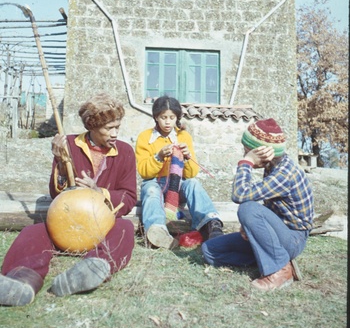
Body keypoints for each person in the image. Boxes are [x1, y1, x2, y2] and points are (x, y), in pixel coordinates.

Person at [0, 93, 137, 307]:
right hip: (68, 226)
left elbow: (129, 197)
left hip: (103, 228)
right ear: (92, 125)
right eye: (109, 128)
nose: (115, 133)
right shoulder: (70, 145)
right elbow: (57, 195)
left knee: (125, 228)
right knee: (33, 232)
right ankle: (21, 280)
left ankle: (90, 269)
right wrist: (61, 162)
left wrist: (99, 192)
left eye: (117, 126)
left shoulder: (125, 152)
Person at [201, 118, 314, 291]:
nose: (245, 154)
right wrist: (250, 227)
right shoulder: (272, 167)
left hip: (293, 238)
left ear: (262, 151)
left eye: (248, 151)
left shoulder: (285, 173)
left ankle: (280, 269)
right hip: (277, 233)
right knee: (210, 250)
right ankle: (267, 257)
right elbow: (270, 206)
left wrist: (247, 162)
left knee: (248, 208)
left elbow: (240, 194)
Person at [135, 95, 223, 249]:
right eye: (163, 117)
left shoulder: (183, 136)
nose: (168, 122)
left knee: (193, 183)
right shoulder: (145, 137)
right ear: (156, 117)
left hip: (176, 188)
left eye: (172, 117)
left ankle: (210, 224)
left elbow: (191, 174)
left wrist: (187, 157)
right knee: (150, 189)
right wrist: (159, 156)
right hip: (155, 184)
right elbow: (144, 172)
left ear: (177, 118)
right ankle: (156, 230)